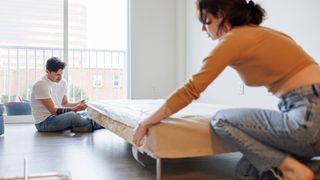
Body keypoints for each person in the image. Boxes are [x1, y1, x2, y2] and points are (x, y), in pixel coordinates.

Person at [133, 0, 320, 179]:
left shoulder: (234, 39)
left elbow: (190, 89)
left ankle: (292, 169)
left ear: (222, 15)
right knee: (246, 171)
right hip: (307, 117)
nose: (202, 28)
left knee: (221, 120)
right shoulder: (260, 34)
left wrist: (145, 123)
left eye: (206, 21)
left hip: (307, 117)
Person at [31, 57, 101, 133]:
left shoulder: (63, 82)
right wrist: (76, 108)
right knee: (72, 116)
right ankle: (94, 125)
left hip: (58, 116)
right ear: (47, 71)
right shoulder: (41, 84)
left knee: (86, 113)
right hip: (44, 122)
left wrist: (79, 103)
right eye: (57, 74)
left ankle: (86, 126)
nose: (60, 77)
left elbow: (64, 103)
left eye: (61, 74)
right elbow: (53, 111)